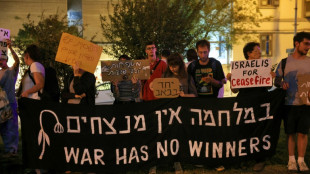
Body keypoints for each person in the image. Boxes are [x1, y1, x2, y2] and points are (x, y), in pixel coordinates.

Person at [226, 42, 275, 172]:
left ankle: (260, 159)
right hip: (245, 102)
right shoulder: (239, 68)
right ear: (249, 53)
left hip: (260, 101)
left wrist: (270, 78)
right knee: (243, 129)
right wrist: (232, 79)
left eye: (259, 52)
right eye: (256, 52)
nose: (259, 54)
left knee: (260, 128)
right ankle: (243, 157)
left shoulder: (264, 67)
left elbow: (269, 87)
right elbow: (235, 90)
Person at [275, 31, 310, 173]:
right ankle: (291, 160)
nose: (308, 47)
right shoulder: (284, 62)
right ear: (297, 43)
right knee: (290, 133)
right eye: (306, 44)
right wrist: (281, 83)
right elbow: (276, 80)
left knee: (303, 133)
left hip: (306, 104)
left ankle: (301, 161)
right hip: (289, 104)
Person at [0, 39, 19, 158]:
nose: (1, 61)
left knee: (11, 127)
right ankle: (8, 150)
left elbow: (17, 61)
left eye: (2, 59)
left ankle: (13, 150)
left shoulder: (12, 71)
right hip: (1, 104)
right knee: (3, 128)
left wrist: (10, 47)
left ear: (6, 59)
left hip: (11, 102)